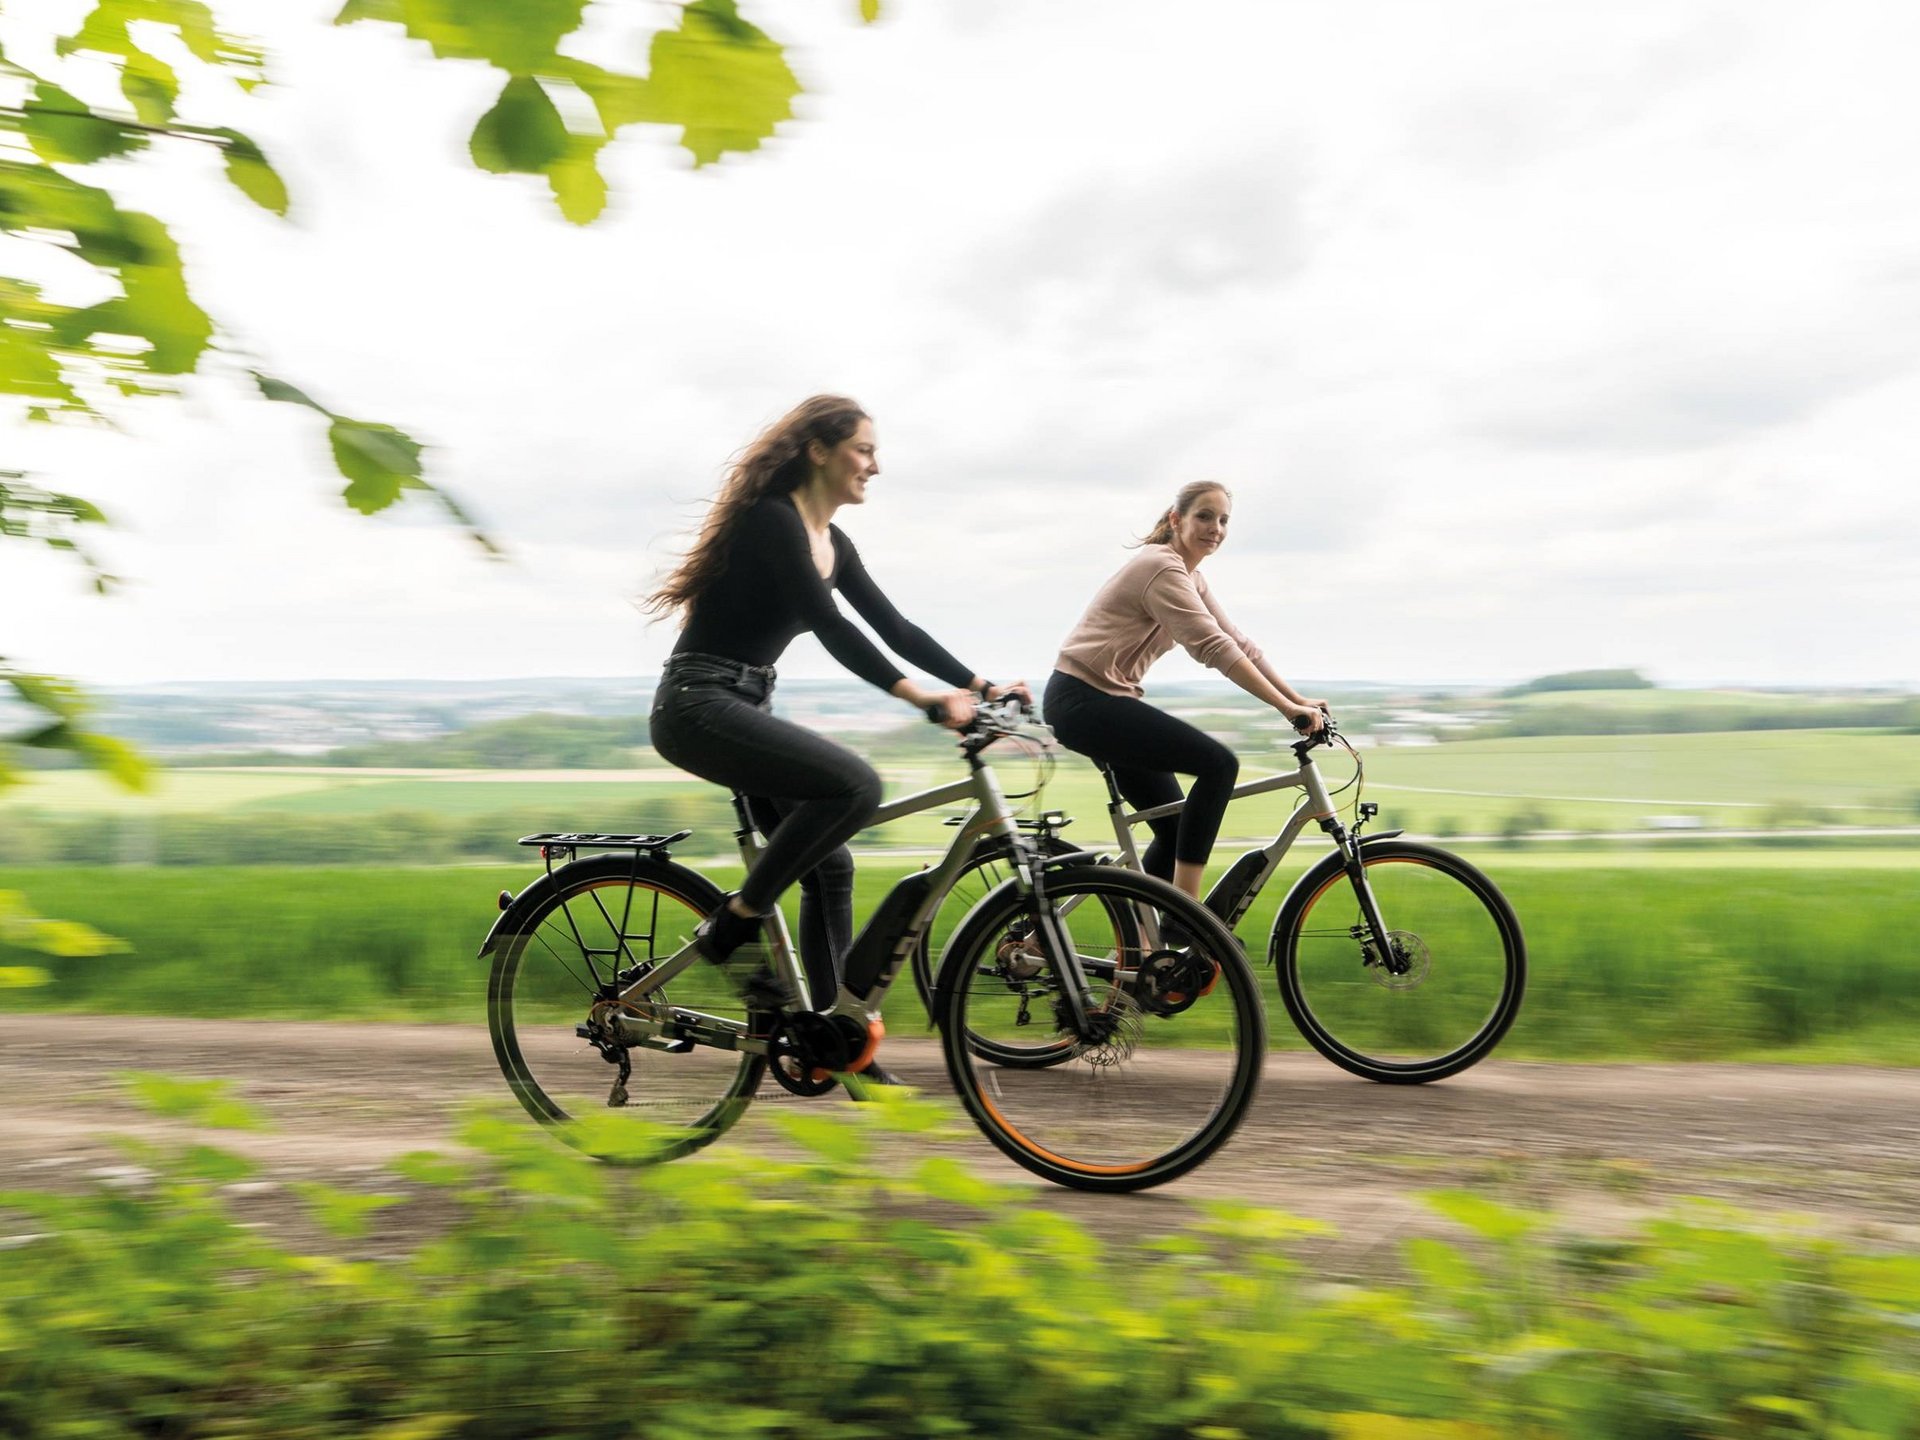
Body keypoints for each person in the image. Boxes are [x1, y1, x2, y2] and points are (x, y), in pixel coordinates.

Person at [644, 395, 1025, 1026]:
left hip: (746, 704)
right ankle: (736, 924)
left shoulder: (834, 543)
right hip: (696, 704)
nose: (874, 465)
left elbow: (896, 628)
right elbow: (828, 623)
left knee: (831, 865)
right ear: (819, 452)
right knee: (856, 786)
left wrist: (982, 687)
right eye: (864, 449)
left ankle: (834, 1032)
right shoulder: (772, 519)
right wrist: (918, 695)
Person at [1042, 481, 1326, 905]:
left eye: (1224, 520)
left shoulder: (1190, 575)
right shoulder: (1161, 567)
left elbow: (1238, 643)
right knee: (1218, 764)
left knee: (1175, 828)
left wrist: (1296, 700)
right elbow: (1212, 647)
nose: (1216, 527)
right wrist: (1285, 707)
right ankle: (1188, 914)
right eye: (1205, 516)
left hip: (1103, 701)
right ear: (1177, 520)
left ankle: (1143, 949)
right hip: (1082, 700)